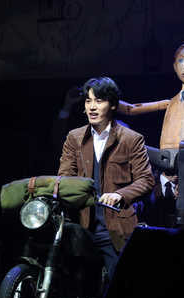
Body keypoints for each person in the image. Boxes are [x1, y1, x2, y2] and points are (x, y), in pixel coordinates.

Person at [116, 41, 184, 227]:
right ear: (174, 66)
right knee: (130, 144)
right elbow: (132, 109)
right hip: (164, 157)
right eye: (181, 60)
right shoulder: (170, 102)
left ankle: (181, 228)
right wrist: (105, 99)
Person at [57, 77, 154, 277]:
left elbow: (146, 180)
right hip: (79, 225)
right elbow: (64, 177)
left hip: (114, 227)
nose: (92, 107)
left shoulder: (131, 139)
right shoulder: (74, 138)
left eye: (99, 101)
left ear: (113, 105)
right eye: (88, 101)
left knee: (118, 285)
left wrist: (121, 195)